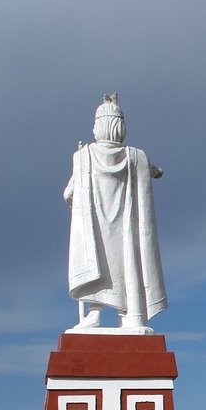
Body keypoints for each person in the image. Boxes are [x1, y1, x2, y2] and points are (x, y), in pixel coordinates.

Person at [64, 93, 167, 332]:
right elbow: (156, 171)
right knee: (127, 262)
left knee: (97, 262)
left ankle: (96, 312)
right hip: (124, 229)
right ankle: (130, 313)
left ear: (99, 126)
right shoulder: (136, 157)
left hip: (99, 226)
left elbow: (68, 193)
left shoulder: (85, 156)